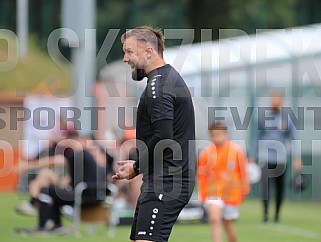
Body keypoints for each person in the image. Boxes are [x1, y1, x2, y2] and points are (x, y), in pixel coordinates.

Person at [112, 26, 196, 242]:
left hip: (167, 182)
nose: (125, 58)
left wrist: (136, 166)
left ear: (149, 51)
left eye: (129, 52)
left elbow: (164, 138)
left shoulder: (159, 86)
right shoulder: (162, 80)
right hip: (160, 180)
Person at [16, 132, 106, 233]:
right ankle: (55, 225)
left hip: (84, 194)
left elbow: (56, 161)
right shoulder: (86, 157)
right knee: (51, 187)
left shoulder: (78, 154)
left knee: (45, 190)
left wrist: (29, 165)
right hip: (92, 194)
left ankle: (43, 223)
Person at [249, 90, 302, 223]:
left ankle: (277, 214)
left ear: (282, 101)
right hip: (265, 158)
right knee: (265, 187)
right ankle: (266, 214)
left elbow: (294, 138)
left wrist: (297, 157)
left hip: (281, 159)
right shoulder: (263, 116)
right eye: (273, 99)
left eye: (278, 99)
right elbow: (256, 137)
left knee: (280, 187)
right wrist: (252, 156)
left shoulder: (287, 118)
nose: (275, 101)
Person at [198, 121, 250, 242]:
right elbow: (201, 176)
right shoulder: (206, 153)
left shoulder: (236, 151)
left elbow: (243, 172)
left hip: (231, 194)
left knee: (227, 223)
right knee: (215, 219)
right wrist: (202, 194)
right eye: (214, 135)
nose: (218, 137)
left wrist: (245, 189)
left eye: (220, 134)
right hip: (213, 193)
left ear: (226, 134)